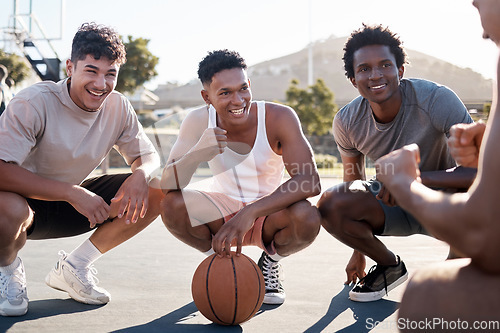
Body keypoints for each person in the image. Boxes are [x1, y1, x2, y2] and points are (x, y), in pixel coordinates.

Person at [0, 23, 163, 317]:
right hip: (21, 205)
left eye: (110, 74)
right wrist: (72, 192)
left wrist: (140, 174)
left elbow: (149, 157)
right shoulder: (33, 102)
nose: (101, 83)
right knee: (6, 209)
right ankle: (9, 269)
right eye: (91, 71)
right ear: (70, 67)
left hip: (75, 205)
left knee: (160, 187)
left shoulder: (118, 107)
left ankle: (75, 267)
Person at [317, 24, 475, 303]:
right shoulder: (347, 121)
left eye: (385, 65)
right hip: (394, 204)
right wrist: (359, 250)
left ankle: (458, 267)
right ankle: (389, 266)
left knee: (449, 299)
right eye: (364, 69)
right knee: (332, 204)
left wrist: (410, 179)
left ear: (400, 71)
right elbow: (352, 181)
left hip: (452, 205)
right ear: (353, 79)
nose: (375, 75)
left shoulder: (437, 99)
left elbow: (481, 173)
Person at [160, 49, 321, 305]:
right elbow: (168, 185)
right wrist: (196, 154)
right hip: (222, 209)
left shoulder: (279, 117)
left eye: (243, 89)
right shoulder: (197, 120)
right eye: (225, 93)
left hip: (268, 212)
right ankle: (219, 260)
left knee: (308, 216)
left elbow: (310, 181)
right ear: (207, 97)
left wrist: (250, 213)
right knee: (172, 206)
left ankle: (270, 262)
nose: (238, 100)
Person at [376, 0, 500, 327]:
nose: (473, 2)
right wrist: (489, 154)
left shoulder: (436, 98)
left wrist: (406, 183)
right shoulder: (347, 119)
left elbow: (484, 234)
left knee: (429, 296)